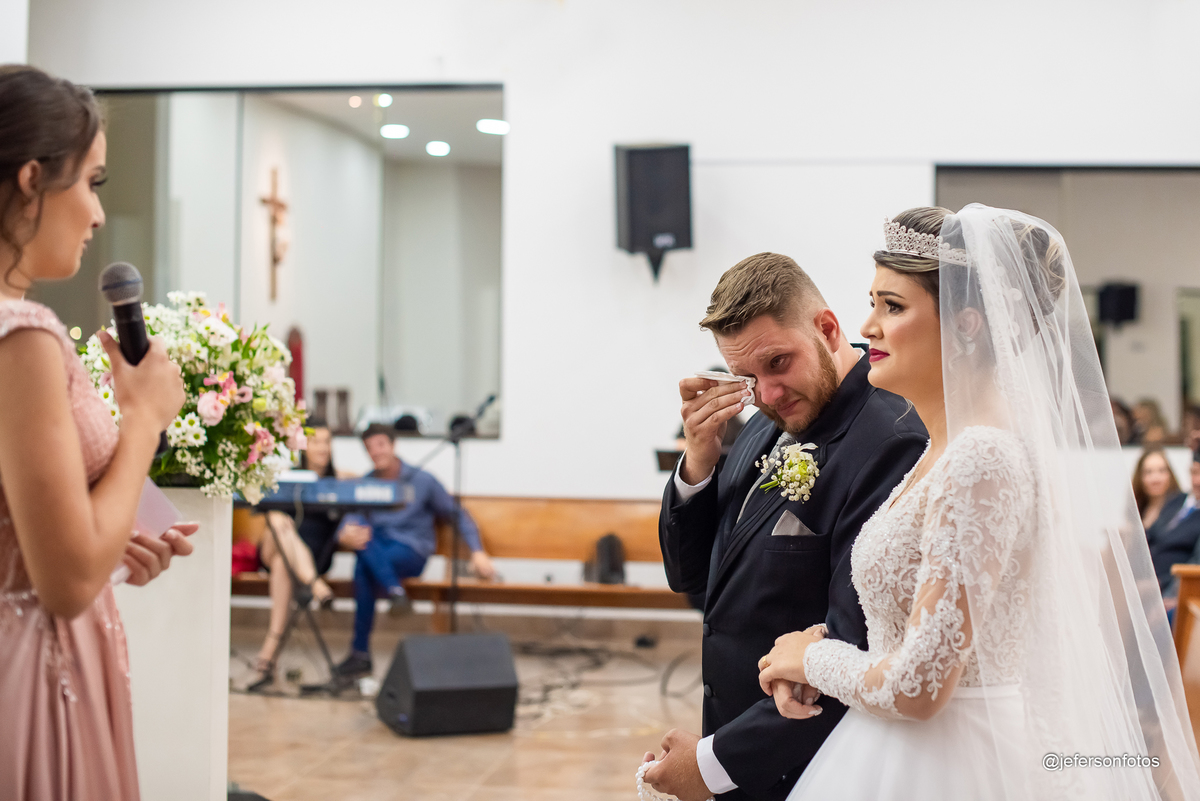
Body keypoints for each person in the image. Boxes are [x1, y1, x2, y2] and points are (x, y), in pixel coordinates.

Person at [756, 206, 1200, 800]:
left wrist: (813, 660)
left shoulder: (982, 457)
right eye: (872, 303)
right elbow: (910, 630)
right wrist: (820, 655)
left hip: (950, 762)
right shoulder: (942, 450)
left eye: (893, 306)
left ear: (965, 324)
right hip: (902, 747)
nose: (869, 326)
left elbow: (919, 687)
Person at [649, 253, 927, 800]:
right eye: (747, 377)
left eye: (778, 362)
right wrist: (699, 461)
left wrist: (712, 764)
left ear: (827, 328)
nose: (767, 394)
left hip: (809, 760)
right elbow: (690, 576)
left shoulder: (890, 440)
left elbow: (858, 644)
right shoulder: (762, 424)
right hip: (740, 734)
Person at [0, 65, 197, 800]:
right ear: (31, 179)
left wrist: (113, 540)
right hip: (30, 664)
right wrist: (143, 417)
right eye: (91, 182)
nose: (97, 215)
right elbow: (66, 581)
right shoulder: (21, 336)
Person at [334, 423, 496, 678]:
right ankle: (394, 593)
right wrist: (344, 533)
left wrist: (477, 551)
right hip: (378, 550)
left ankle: (360, 652)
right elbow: (350, 520)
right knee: (363, 554)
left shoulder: (422, 480)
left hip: (411, 552)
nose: (376, 452)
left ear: (393, 444)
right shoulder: (366, 484)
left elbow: (457, 514)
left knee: (364, 562)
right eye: (369, 448)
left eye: (380, 445)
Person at [253, 418, 347, 675]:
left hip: (313, 556)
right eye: (316, 442)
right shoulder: (287, 476)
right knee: (277, 519)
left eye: (327, 442)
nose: (323, 448)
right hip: (273, 546)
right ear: (303, 445)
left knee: (283, 563)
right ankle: (315, 585)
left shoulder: (340, 481)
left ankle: (268, 655)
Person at [1148, 449, 1200, 593]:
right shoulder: (1175, 500)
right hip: (1146, 579)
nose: (1197, 481)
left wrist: (1167, 592)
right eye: (1194, 472)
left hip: (1171, 589)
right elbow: (1151, 536)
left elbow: (1195, 563)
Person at [1133, 446, 1183, 532]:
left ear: (1170, 475)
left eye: (1161, 471)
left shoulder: (1182, 509)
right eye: (1148, 472)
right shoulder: (1137, 510)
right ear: (1140, 477)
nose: (1155, 479)